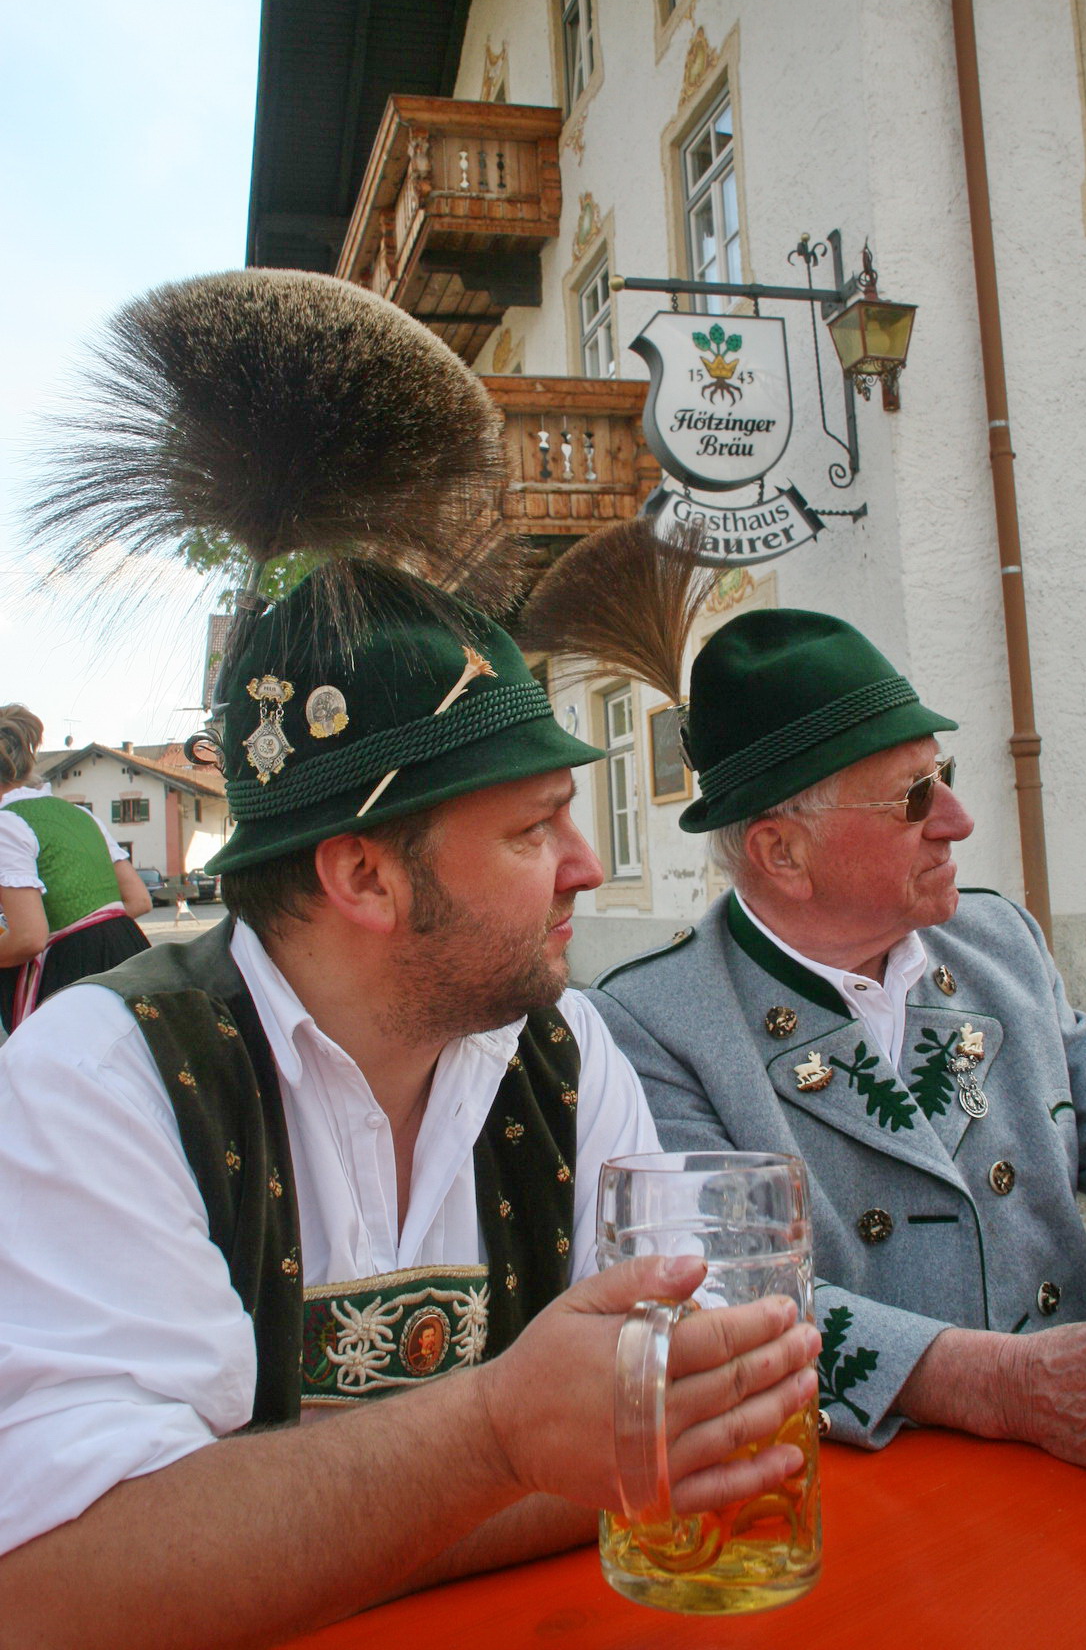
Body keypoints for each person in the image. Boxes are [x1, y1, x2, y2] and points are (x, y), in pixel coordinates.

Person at [0, 272, 822, 1647]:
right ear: (365, 876)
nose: (587, 867)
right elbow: (55, 1584)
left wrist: (279, 1517)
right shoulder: (103, 1076)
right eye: (533, 828)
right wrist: (499, 1437)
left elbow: (687, 1434)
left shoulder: (564, 1051)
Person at [580, 604, 1086, 1488]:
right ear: (783, 853)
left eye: (945, 776)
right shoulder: (654, 1023)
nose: (958, 820)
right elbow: (721, 1305)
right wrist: (1007, 1385)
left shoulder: (995, 941)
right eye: (915, 796)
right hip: (873, 1494)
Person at [0, 704, 151, 1031]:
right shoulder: (79, 814)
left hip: (74, 973)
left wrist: (70, 935)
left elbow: (28, 938)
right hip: (130, 952)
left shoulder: (6, 824)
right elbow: (139, 900)